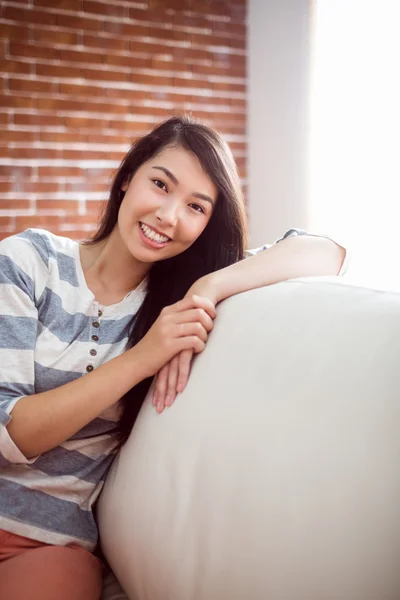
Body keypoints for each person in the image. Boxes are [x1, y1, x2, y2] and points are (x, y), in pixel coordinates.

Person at [0, 116, 346, 600]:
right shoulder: (29, 261)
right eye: (160, 184)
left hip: (44, 544)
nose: (168, 214)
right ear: (127, 179)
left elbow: (325, 252)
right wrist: (144, 358)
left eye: (196, 207)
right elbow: (10, 431)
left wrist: (210, 285)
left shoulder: (174, 301)